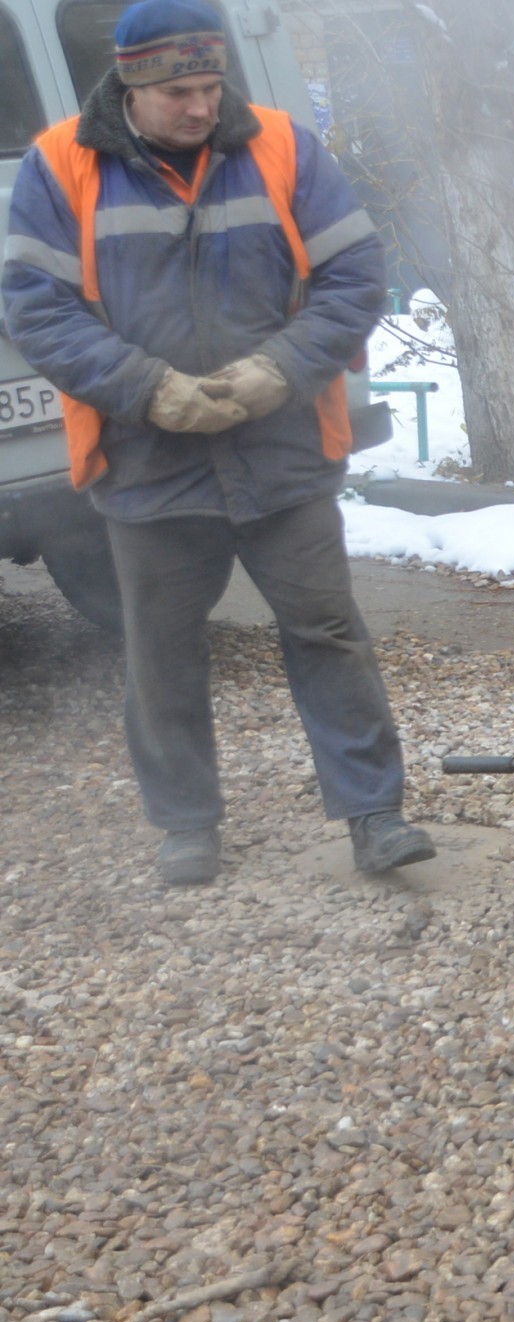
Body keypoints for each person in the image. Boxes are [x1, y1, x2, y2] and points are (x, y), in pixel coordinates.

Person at [2, 0, 434, 886]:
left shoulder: (281, 145)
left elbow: (355, 276)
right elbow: (37, 309)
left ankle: (374, 813)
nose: (203, 108)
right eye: (180, 94)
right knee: (160, 646)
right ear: (130, 85)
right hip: (145, 456)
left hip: (280, 448)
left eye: (211, 86)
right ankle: (186, 824)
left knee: (326, 630)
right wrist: (146, 388)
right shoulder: (59, 164)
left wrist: (282, 370)